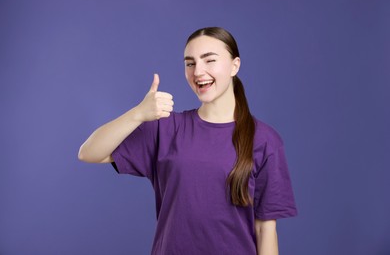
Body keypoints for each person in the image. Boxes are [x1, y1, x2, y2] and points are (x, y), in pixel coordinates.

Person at [78, 27, 297, 255]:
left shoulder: (265, 140)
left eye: (209, 60)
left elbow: (265, 230)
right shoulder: (166, 128)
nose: (198, 72)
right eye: (190, 63)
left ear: (235, 65)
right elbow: (89, 152)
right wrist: (138, 114)